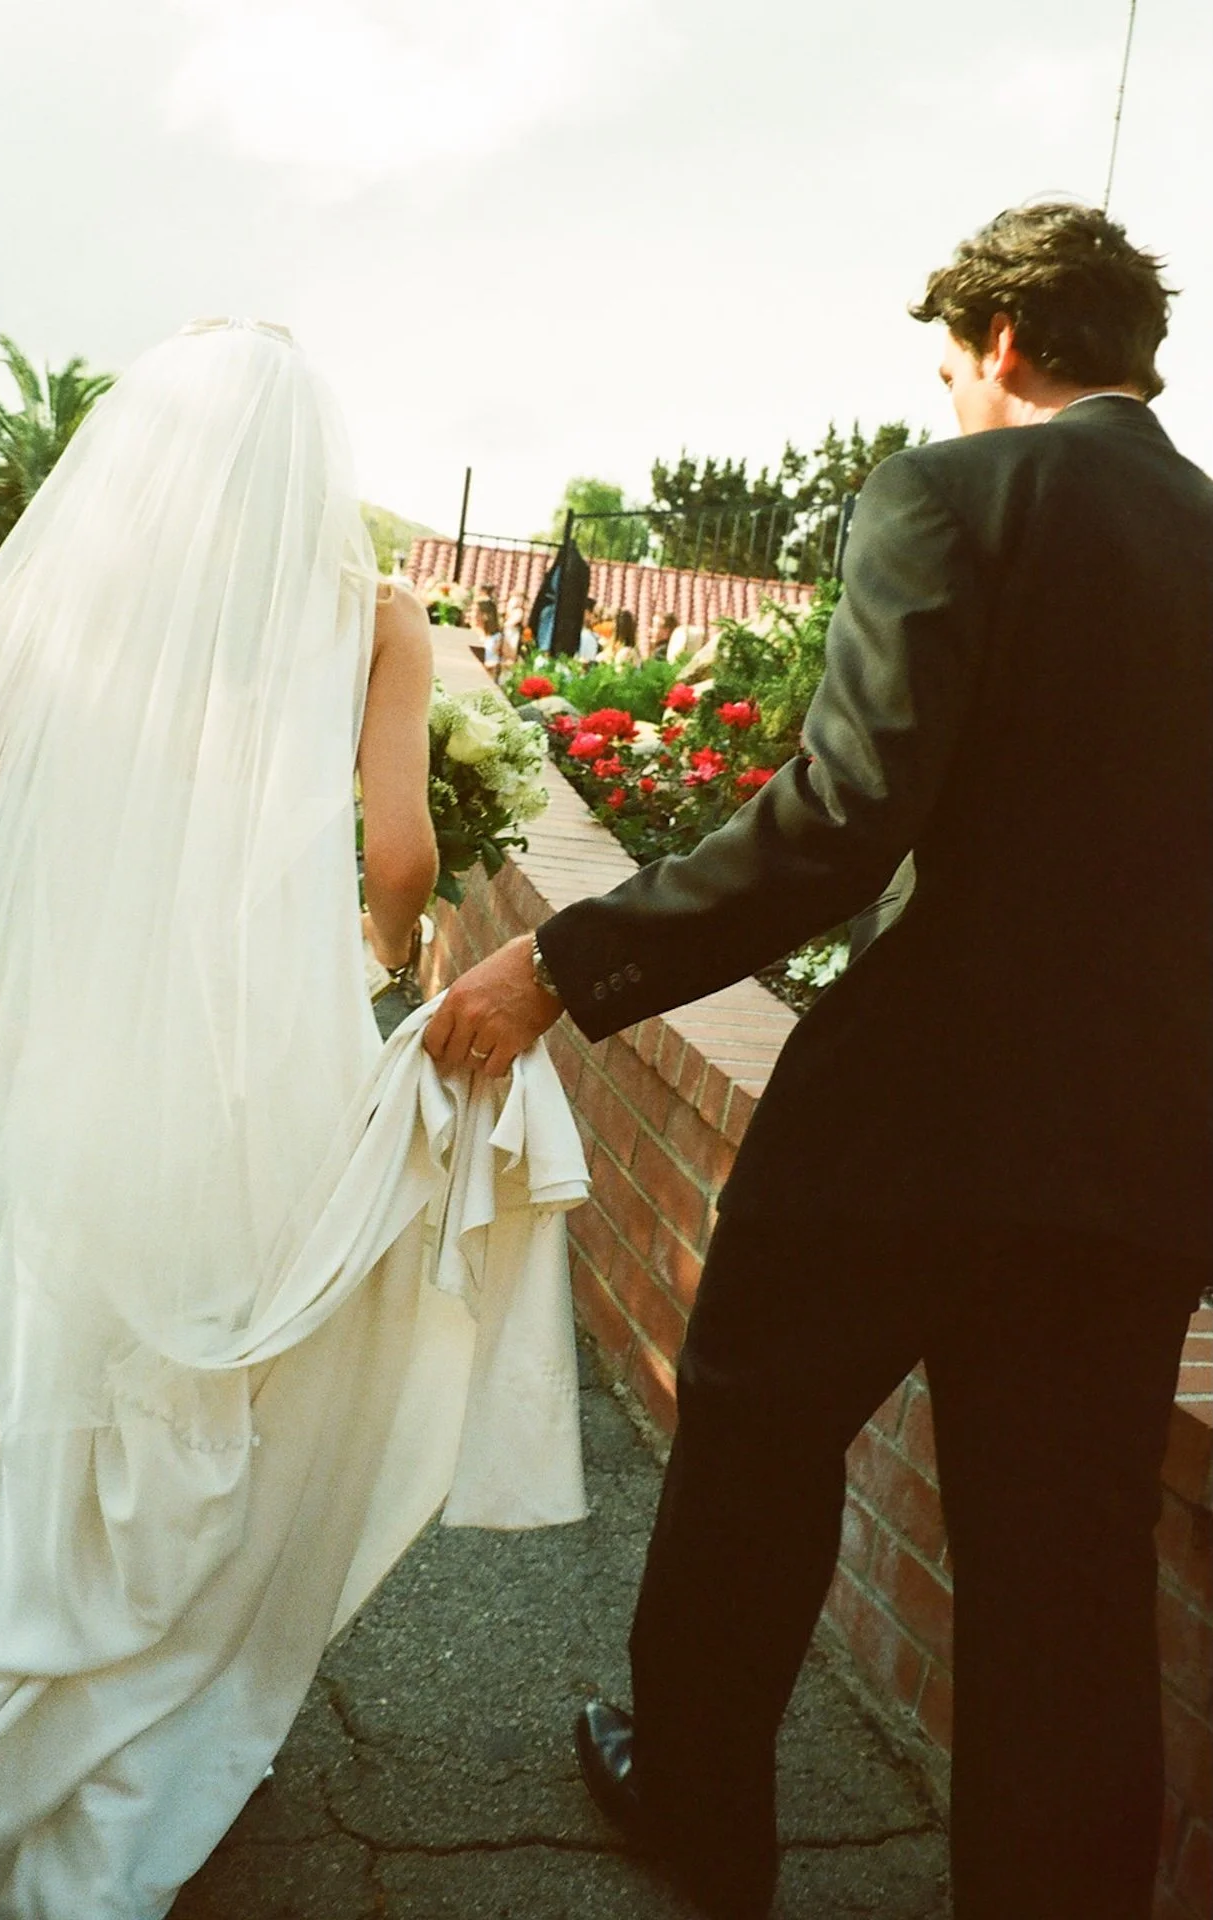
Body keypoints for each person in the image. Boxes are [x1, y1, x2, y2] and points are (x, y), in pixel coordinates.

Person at [423, 203, 1213, 1920]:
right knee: (1067, 1572)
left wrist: (567, 957)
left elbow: (846, 818)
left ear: (1001, 346)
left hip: (911, 1121)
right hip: (1151, 1151)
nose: (947, 401)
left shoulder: (951, 496)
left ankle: (702, 1804)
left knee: (757, 1432)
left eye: (949, 372)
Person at [0, 318, 588, 1918]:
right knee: (225, 1372)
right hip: (264, 1046)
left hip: (79, 1049)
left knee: (62, 1357)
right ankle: (162, 1688)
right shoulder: (373, 618)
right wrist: (374, 964)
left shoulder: (79, 601)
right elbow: (400, 865)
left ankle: (17, 1657)